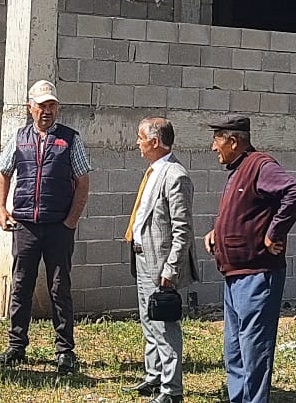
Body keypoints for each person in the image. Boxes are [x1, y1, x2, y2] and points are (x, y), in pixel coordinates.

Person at [0, 79, 91, 373]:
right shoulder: (19, 138)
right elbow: (2, 173)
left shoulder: (70, 139)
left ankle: (65, 351)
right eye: (42, 105)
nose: (47, 111)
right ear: (29, 108)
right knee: (21, 286)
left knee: (60, 288)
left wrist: (71, 220)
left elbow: (83, 181)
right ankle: (16, 346)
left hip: (58, 226)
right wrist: (0, 208)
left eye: (52, 105)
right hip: (26, 226)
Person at [203, 115, 296, 403]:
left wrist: (274, 233)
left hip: (257, 274)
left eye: (217, 139)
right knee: (234, 349)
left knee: (254, 349)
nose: (213, 147)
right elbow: (246, 212)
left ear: (233, 141)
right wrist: (218, 231)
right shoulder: (237, 171)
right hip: (235, 274)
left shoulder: (260, 166)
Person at [127, 117, 194, 403]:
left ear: (154, 142)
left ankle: (172, 390)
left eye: (141, 137)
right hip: (143, 259)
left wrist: (171, 268)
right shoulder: (154, 171)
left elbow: (183, 230)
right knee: (148, 320)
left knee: (165, 326)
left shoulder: (175, 175)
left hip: (161, 265)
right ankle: (153, 376)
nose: (137, 143)